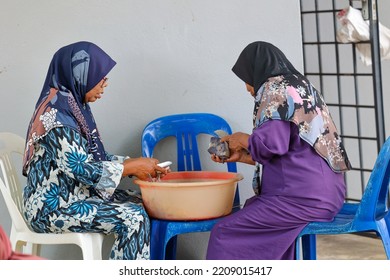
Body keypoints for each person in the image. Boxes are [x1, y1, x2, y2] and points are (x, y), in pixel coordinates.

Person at [22, 41, 168, 260]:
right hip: (52, 207)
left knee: (144, 203)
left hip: (76, 195)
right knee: (133, 217)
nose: (104, 84)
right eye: (99, 78)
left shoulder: (72, 106)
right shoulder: (55, 116)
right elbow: (82, 169)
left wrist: (135, 165)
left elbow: (93, 156)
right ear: (79, 74)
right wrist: (129, 167)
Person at [206, 41, 351, 260]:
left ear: (257, 70)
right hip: (326, 194)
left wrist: (239, 139)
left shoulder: (275, 90)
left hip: (302, 199)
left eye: (246, 77)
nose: (247, 86)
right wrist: (243, 156)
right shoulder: (300, 87)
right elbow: (291, 151)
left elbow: (272, 144)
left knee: (224, 233)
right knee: (254, 212)